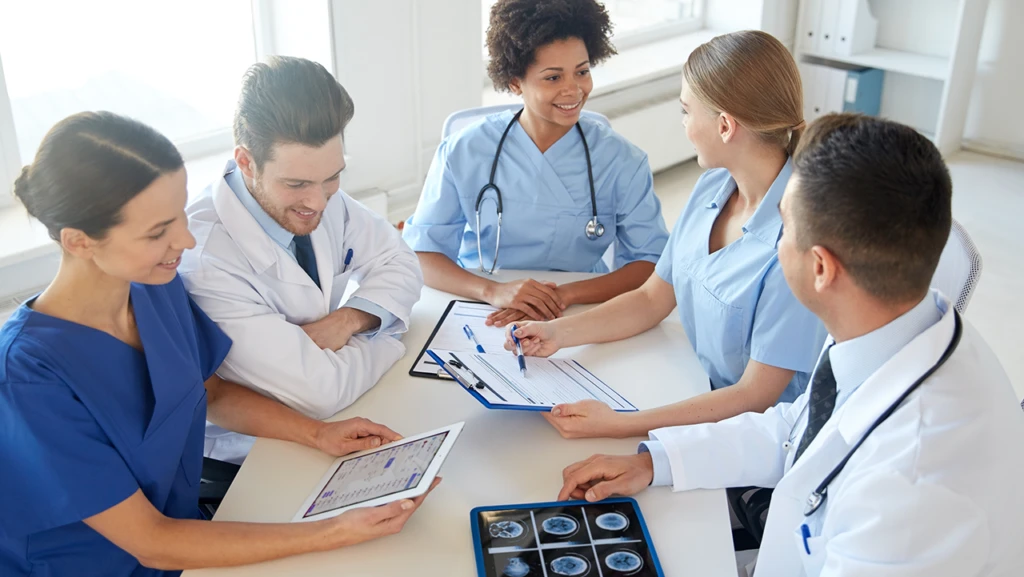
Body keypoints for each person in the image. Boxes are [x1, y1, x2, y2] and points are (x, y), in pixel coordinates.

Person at [555, 114, 1024, 576]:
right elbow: (798, 430)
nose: (774, 243)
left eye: (783, 228)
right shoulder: (891, 321)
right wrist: (654, 461)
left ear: (821, 268)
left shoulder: (909, 492)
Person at [0, 112, 437, 577]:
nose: (186, 241)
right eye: (158, 232)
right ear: (80, 241)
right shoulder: (26, 373)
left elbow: (213, 393)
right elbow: (152, 543)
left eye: (181, 216)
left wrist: (317, 433)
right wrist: (335, 530)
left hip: (190, 539)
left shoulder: (155, 289)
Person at [505, 31, 826, 438]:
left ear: (725, 126)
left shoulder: (797, 243)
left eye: (686, 111)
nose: (685, 126)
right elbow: (652, 298)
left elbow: (753, 397)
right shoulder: (713, 188)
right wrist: (558, 333)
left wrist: (623, 425)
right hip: (689, 383)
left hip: (755, 435)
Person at [179, 56, 423, 463]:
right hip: (259, 455)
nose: (318, 201)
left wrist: (350, 320)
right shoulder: (206, 261)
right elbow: (319, 393)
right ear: (246, 162)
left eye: (332, 177)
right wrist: (391, 335)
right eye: (297, 184)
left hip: (346, 415)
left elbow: (399, 258)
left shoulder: (318, 193)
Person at [402, 0, 669, 328]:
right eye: (553, 77)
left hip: (580, 307)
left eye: (582, 72)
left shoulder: (622, 161)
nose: (573, 90)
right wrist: (493, 291)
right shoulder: (464, 151)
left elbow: (650, 263)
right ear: (515, 82)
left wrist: (563, 296)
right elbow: (423, 254)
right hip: (481, 304)